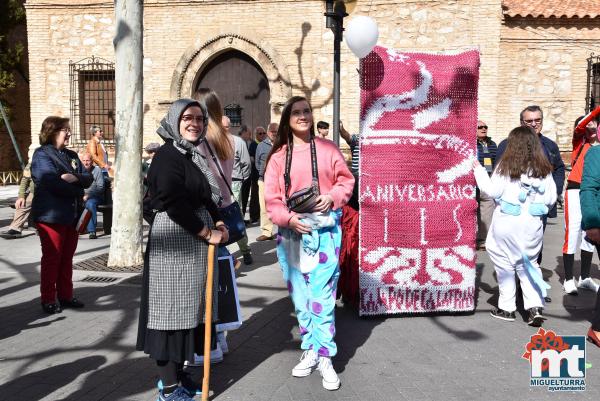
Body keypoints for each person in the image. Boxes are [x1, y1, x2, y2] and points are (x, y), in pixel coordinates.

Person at [136, 98, 228, 401]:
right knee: (169, 314)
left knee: (189, 312)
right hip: (173, 243)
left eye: (200, 119)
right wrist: (206, 232)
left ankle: (180, 377)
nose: (195, 123)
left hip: (195, 244)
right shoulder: (166, 156)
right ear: (175, 121)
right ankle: (170, 387)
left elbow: (207, 197)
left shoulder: (192, 155)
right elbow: (174, 203)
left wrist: (219, 222)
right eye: (188, 117)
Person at [264, 96, 354, 391]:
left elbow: (346, 181)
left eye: (307, 112)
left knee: (323, 297)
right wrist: (288, 220)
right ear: (288, 118)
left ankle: (326, 355)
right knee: (301, 299)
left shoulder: (328, 149)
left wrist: (333, 196)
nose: (303, 116)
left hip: (325, 234)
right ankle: (311, 348)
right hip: (291, 235)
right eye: (297, 112)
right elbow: (273, 199)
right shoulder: (278, 157)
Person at [473, 126, 556, 327]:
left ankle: (507, 308)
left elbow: (491, 190)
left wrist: (478, 169)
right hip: (532, 225)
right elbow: (552, 198)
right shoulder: (544, 170)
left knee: (504, 265)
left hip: (508, 223)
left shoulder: (505, 167)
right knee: (529, 264)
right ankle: (534, 307)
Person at [496, 105, 564, 303]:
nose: (534, 124)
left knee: (534, 249)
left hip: (537, 210)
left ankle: (532, 288)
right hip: (512, 211)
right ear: (521, 123)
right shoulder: (506, 145)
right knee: (511, 249)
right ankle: (514, 290)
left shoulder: (549, 146)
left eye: (538, 120)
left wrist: (554, 192)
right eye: (529, 121)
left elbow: (558, 169)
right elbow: (498, 176)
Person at [31, 116, 92, 314]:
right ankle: (48, 298)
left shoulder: (72, 155)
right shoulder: (42, 155)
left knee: (67, 258)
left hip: (71, 216)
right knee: (52, 258)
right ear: (52, 131)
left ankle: (65, 295)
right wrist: (77, 191)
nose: (69, 133)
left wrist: (74, 177)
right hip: (51, 216)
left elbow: (88, 177)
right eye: (65, 129)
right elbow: (50, 182)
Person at [195, 89, 254, 267]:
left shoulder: (200, 140)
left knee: (211, 255)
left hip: (208, 205)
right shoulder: (231, 140)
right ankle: (230, 259)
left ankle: (228, 260)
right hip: (226, 200)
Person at [562, 116, 600, 295]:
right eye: (589, 124)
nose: (592, 126)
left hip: (593, 194)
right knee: (573, 233)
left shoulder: (598, 146)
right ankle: (569, 279)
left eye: (595, 124)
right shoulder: (580, 141)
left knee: (589, 235)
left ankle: (584, 277)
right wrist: (594, 113)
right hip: (575, 190)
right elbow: (581, 126)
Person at [222, 115, 253, 265]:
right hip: (216, 185)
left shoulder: (238, 141)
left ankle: (245, 251)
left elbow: (246, 163)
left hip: (233, 183)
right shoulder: (209, 141)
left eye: (225, 127)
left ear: (229, 127)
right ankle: (223, 252)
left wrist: (241, 179)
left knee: (235, 217)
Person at [475, 120, 497, 250]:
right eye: (480, 127)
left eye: (485, 127)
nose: (483, 129)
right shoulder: (471, 144)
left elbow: (496, 160)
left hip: (488, 181)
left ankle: (484, 240)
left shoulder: (492, 144)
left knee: (488, 209)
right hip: (473, 182)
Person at [255, 122, 277, 241]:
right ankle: (267, 232)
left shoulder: (282, 144)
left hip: (279, 181)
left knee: (280, 204)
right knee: (264, 206)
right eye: (272, 131)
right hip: (263, 180)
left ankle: (284, 229)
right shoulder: (261, 146)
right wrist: (264, 172)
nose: (274, 133)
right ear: (268, 133)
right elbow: (257, 163)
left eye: (276, 131)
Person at [0, 162, 34, 239]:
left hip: (52, 192)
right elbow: (25, 179)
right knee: (23, 204)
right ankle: (15, 229)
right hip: (34, 192)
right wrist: (21, 196)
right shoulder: (33, 162)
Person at [80, 152, 105, 239]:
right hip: (81, 196)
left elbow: (100, 187)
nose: (86, 163)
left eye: (88, 160)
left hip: (96, 196)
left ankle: (92, 231)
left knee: (90, 204)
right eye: (84, 160)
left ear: (92, 161)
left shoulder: (97, 170)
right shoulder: (79, 170)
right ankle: (77, 228)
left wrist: (88, 195)